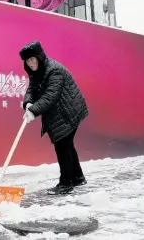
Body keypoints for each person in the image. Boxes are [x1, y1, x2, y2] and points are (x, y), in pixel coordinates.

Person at [19, 41, 89, 195]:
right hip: (59, 111)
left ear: (39, 56)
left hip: (69, 111)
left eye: (32, 59)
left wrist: (34, 110)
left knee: (62, 145)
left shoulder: (54, 70)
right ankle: (78, 177)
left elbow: (51, 95)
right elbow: (32, 88)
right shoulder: (37, 71)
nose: (30, 63)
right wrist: (28, 102)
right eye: (27, 60)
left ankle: (66, 184)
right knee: (67, 145)